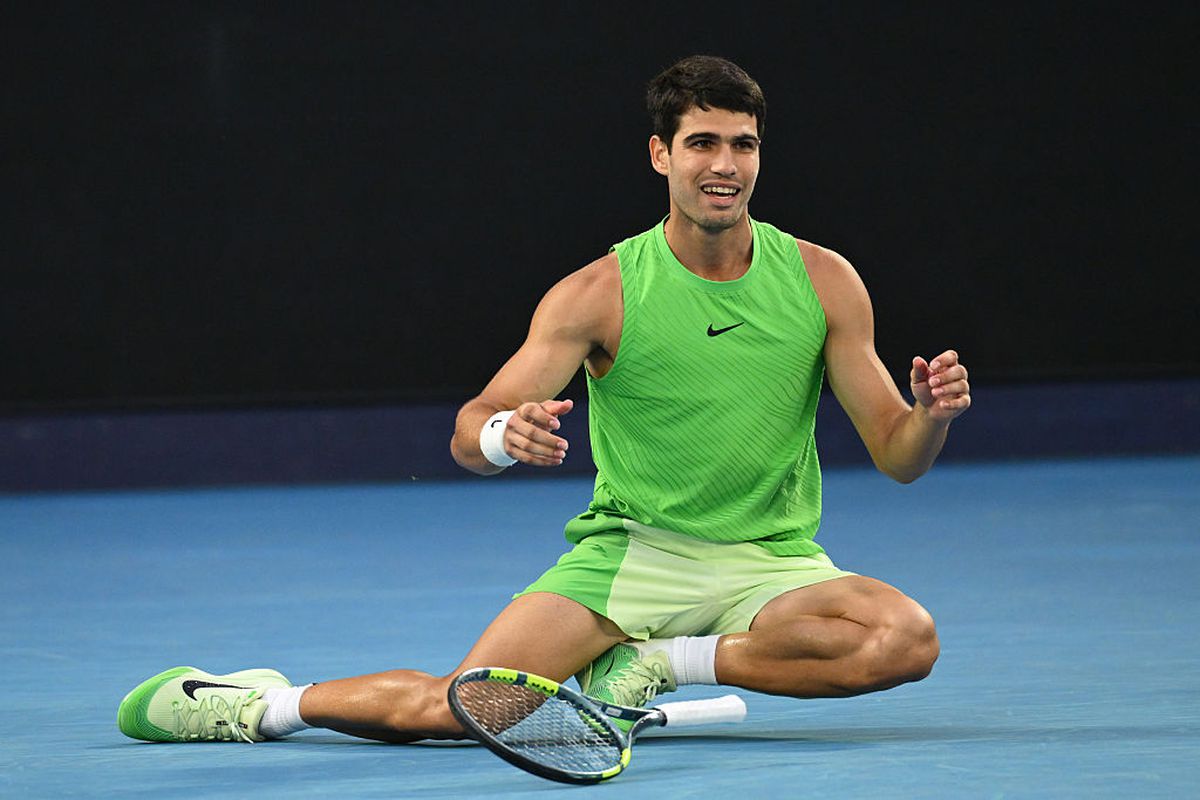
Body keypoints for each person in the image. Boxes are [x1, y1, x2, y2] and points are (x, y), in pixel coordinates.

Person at [118, 54, 970, 745]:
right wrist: (501, 435)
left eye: (742, 145)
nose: (725, 166)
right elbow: (466, 431)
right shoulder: (598, 294)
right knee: (463, 713)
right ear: (660, 155)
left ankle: (663, 662)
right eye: (702, 143)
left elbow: (897, 458)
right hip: (635, 554)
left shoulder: (824, 281)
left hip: (771, 562)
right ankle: (256, 703)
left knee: (903, 641)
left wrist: (928, 419)